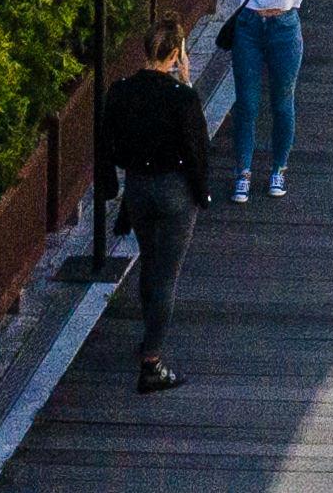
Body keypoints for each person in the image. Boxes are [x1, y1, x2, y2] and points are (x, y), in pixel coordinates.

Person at [99, 22, 213, 393]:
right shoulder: (181, 97)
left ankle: (149, 335)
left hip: (137, 189)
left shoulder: (121, 92)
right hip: (173, 189)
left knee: (149, 262)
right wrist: (202, 193)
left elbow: (106, 142)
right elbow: (197, 147)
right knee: (168, 274)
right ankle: (152, 361)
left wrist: (113, 183)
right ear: (176, 55)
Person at [215, 0, 316, 200]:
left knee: (282, 101)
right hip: (249, 27)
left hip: (283, 27)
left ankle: (278, 169)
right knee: (246, 103)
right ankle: (243, 172)